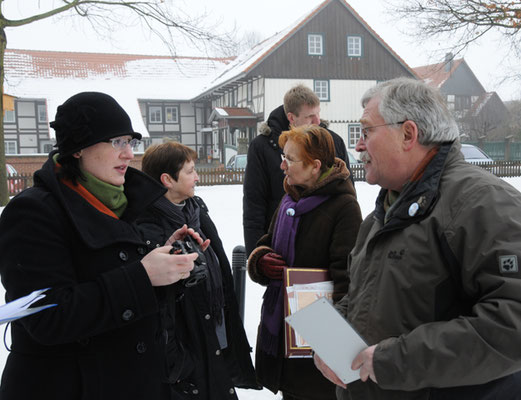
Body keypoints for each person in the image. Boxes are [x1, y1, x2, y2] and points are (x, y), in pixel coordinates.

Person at [314, 77, 521, 399]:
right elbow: (365, 298)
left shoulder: (483, 203)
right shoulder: (385, 211)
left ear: (408, 134)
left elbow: (512, 324)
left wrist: (392, 361)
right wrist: (330, 336)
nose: (357, 145)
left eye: (366, 131)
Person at [0, 92, 205, 400]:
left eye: (130, 142)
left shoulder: (122, 202)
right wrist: (142, 276)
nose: (128, 154)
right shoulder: (33, 212)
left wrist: (166, 258)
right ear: (78, 149)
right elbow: (43, 317)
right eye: (116, 142)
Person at [133, 141, 259, 399]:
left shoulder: (195, 210)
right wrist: (179, 362)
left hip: (215, 333)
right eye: (190, 171)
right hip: (186, 350)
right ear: (167, 179)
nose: (197, 176)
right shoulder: (147, 226)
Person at [247, 125, 362, 400]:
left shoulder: (344, 208)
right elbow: (267, 241)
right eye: (283, 156)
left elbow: (348, 281)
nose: (282, 165)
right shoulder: (290, 199)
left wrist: (333, 347)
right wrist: (260, 261)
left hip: (317, 344)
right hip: (285, 334)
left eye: (290, 159)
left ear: (315, 166)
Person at [243, 84, 351, 256]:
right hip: (280, 243)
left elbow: (347, 192)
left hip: (328, 242)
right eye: (310, 117)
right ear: (291, 117)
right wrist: (258, 255)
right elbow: (254, 203)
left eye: (318, 114)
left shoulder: (333, 142)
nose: (318, 122)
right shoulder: (263, 147)